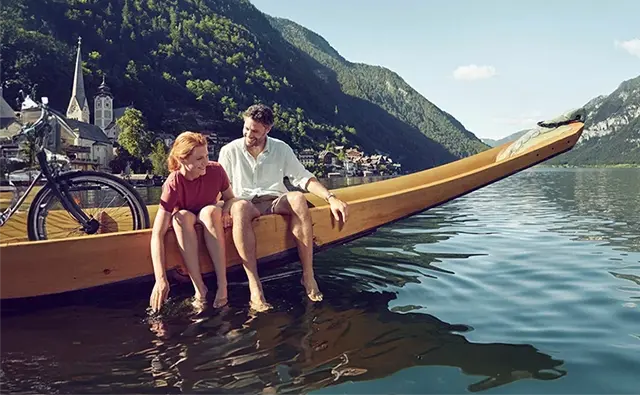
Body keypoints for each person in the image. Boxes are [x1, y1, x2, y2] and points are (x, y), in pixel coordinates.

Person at [218, 104, 349, 312]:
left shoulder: (281, 149)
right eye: (246, 128)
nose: (248, 134)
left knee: (297, 198)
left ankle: (308, 275)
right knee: (240, 207)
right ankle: (255, 287)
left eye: (255, 131)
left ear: (267, 130)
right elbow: (220, 188)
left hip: (273, 202)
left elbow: (304, 178)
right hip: (244, 204)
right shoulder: (229, 151)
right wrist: (223, 207)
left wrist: (330, 197)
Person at [149, 131, 236, 313]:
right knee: (181, 217)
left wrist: (227, 209)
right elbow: (157, 234)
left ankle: (223, 285)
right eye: (199, 159)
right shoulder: (173, 183)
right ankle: (200, 289)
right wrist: (160, 279)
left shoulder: (216, 170)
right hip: (185, 220)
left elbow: (230, 198)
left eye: (206, 156)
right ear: (182, 160)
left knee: (210, 211)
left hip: (208, 216)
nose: (205, 162)